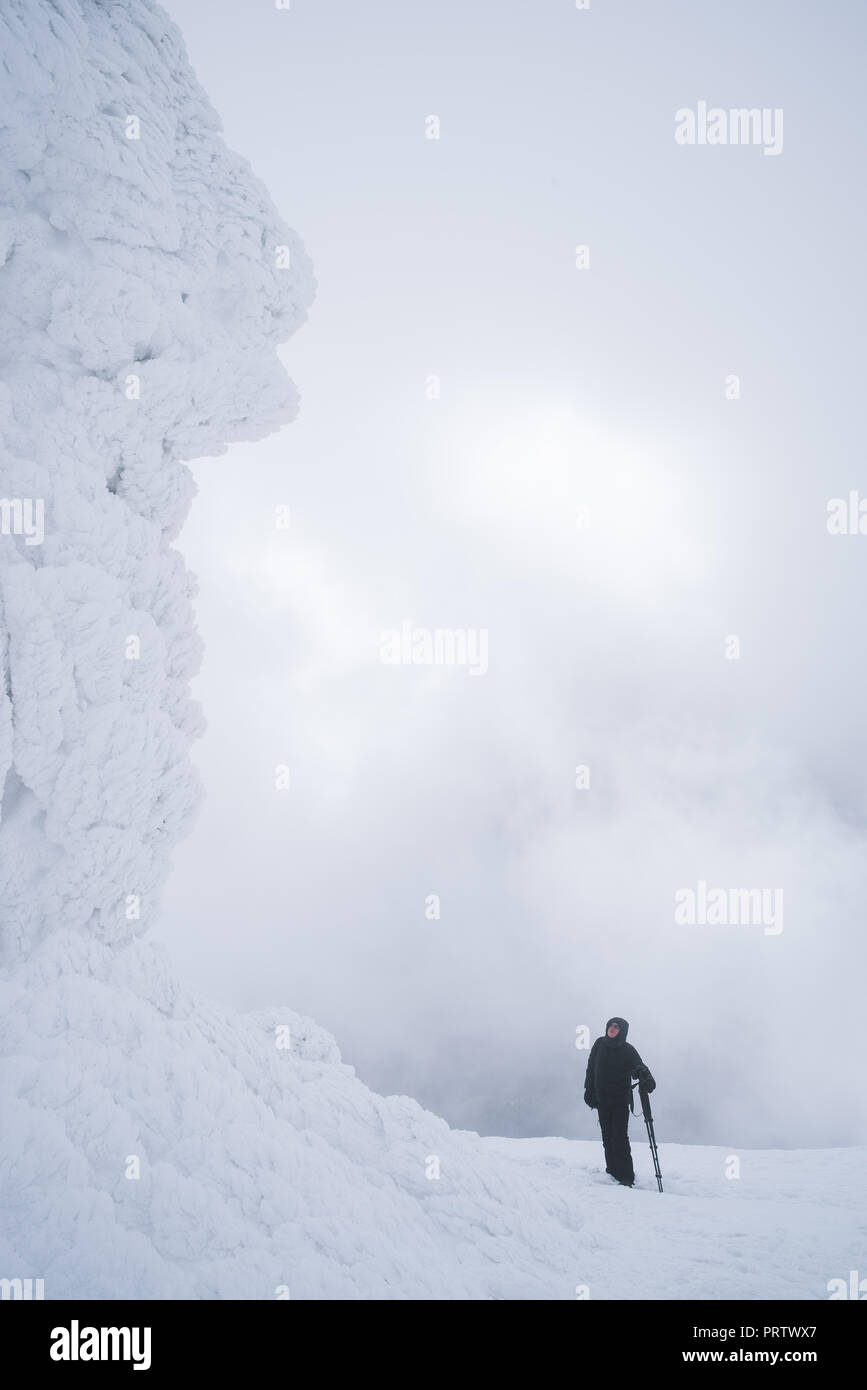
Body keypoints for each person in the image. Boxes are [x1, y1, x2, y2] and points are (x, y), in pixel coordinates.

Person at [583, 1016, 655, 1187]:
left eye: (617, 1027)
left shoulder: (627, 1050)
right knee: (607, 1137)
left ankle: (626, 1177)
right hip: (602, 1101)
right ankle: (612, 1171)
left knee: (619, 1138)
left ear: (622, 1031)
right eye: (611, 1025)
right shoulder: (599, 1044)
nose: (612, 1028)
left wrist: (645, 1077)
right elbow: (591, 1067)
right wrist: (588, 1090)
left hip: (619, 1102)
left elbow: (638, 1066)